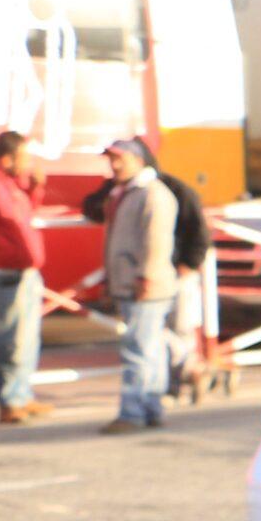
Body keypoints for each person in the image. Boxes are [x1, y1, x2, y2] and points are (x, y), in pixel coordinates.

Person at [0, 132, 50, 423]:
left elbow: (22, 218)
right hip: (8, 272)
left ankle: (22, 394)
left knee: (26, 337)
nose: (28, 165)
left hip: (22, 270)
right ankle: (10, 400)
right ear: (7, 159)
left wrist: (35, 188)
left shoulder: (4, 182)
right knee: (12, 339)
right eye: (24, 158)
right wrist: (16, 258)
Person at [98, 138, 178, 434]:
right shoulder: (127, 193)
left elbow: (156, 242)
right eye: (111, 159)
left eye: (120, 159)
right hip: (135, 281)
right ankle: (151, 407)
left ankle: (133, 412)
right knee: (150, 348)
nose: (114, 165)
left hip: (144, 283)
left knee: (138, 349)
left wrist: (146, 276)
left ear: (138, 159)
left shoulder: (152, 195)